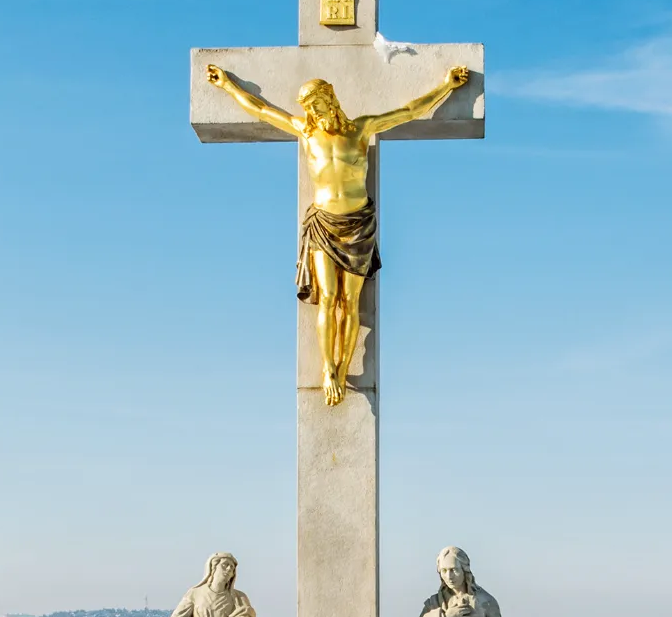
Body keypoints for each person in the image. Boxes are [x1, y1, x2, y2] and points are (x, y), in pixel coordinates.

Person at [201, 63, 471, 403]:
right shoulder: (305, 131)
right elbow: (261, 109)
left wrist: (446, 85)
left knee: (350, 302)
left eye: (316, 103)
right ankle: (328, 367)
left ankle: (342, 369)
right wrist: (227, 86)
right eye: (307, 106)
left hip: (357, 224)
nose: (312, 111)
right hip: (322, 223)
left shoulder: (361, 129)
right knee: (327, 299)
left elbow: (410, 110)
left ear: (330, 98)